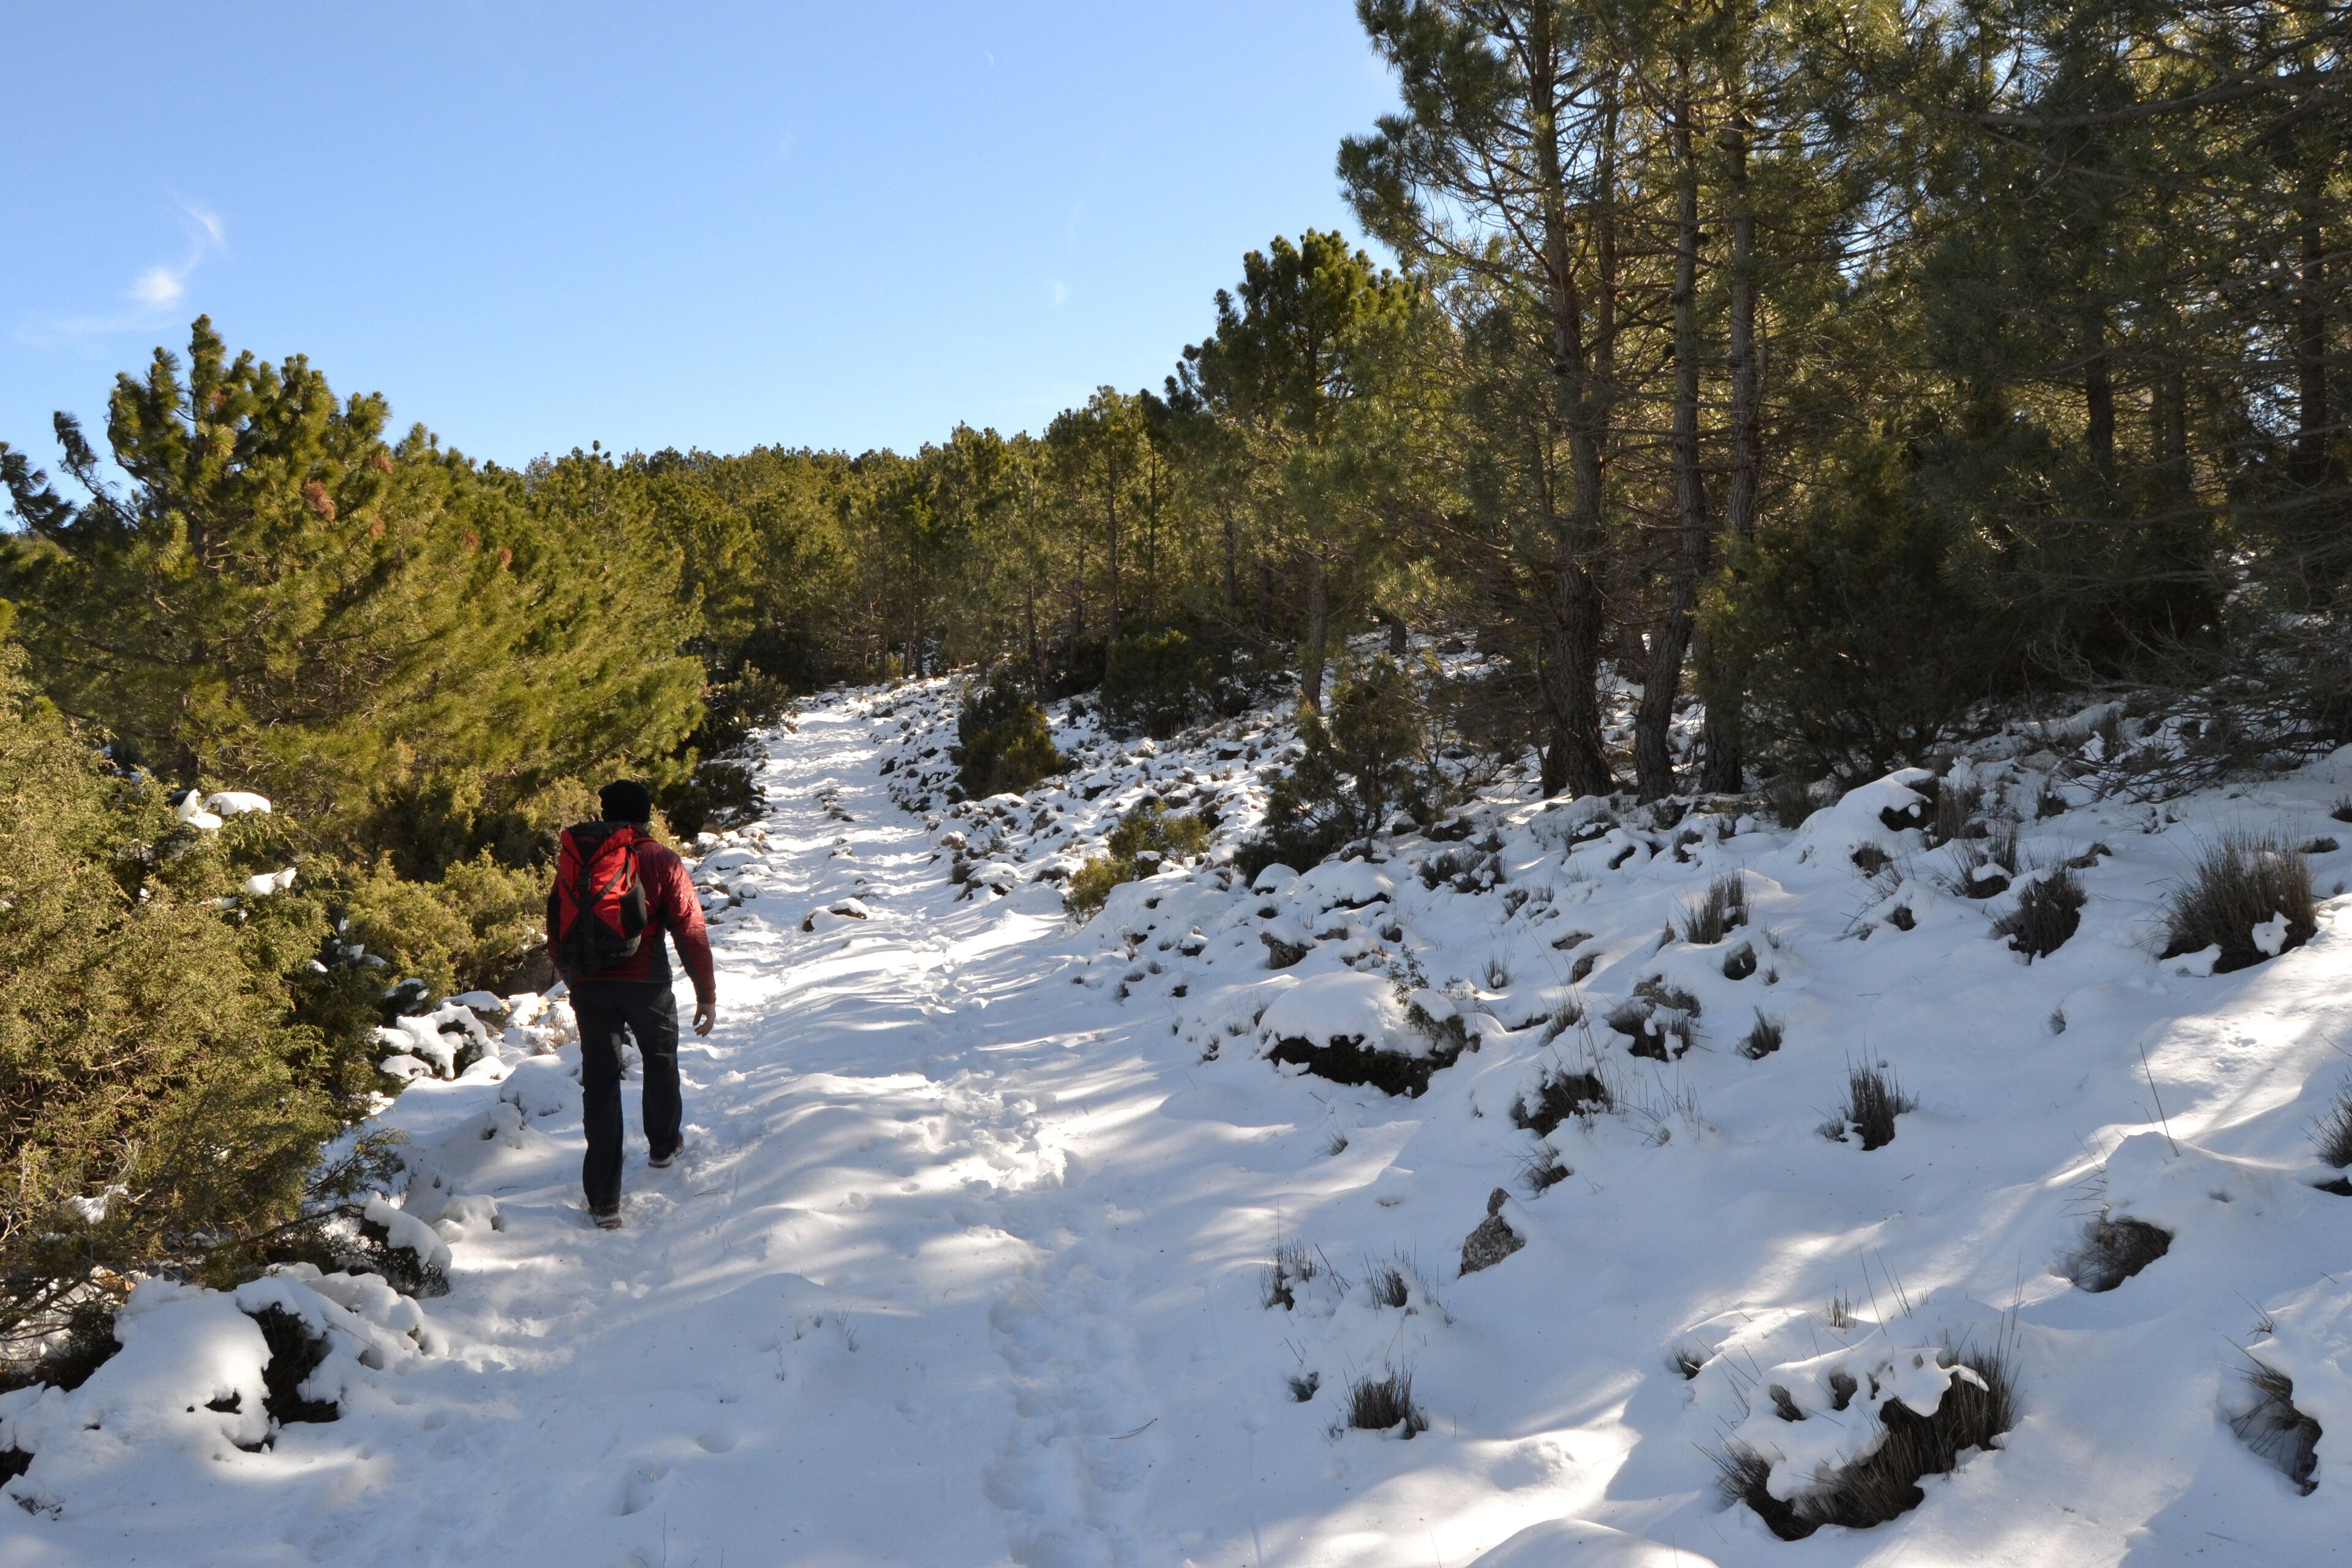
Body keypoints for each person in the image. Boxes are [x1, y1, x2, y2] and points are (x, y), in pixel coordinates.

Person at [547, 780, 716, 1229]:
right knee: (660, 1059)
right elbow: (690, 930)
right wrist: (706, 994)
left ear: (605, 814)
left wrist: (574, 977)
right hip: (647, 981)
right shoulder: (660, 859)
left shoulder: (580, 858)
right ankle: (662, 1147)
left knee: (600, 1084)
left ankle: (604, 1200)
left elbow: (555, 924)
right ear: (646, 816)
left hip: (590, 984)